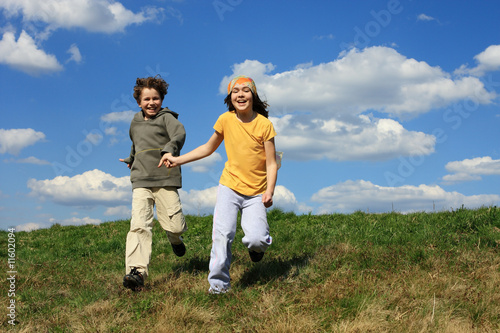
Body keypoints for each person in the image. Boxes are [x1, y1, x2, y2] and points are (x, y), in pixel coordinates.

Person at [163, 75, 278, 294]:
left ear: (253, 95)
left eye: (246, 90)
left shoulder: (264, 125)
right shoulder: (225, 120)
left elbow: (272, 164)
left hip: (256, 192)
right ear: (230, 97)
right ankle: (218, 286)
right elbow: (208, 148)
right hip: (230, 187)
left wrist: (269, 191)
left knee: (256, 239)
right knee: (222, 234)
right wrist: (178, 159)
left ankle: (257, 247)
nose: (240, 94)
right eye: (235, 91)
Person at [120, 76, 187, 291]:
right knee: (139, 225)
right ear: (139, 102)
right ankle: (137, 272)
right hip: (141, 179)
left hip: (165, 177)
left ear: (162, 99)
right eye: (146, 99)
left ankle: (175, 239)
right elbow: (136, 143)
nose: (151, 103)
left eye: (156, 98)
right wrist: (131, 159)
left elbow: (179, 134)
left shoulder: (167, 118)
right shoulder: (135, 121)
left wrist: (169, 149)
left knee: (174, 224)